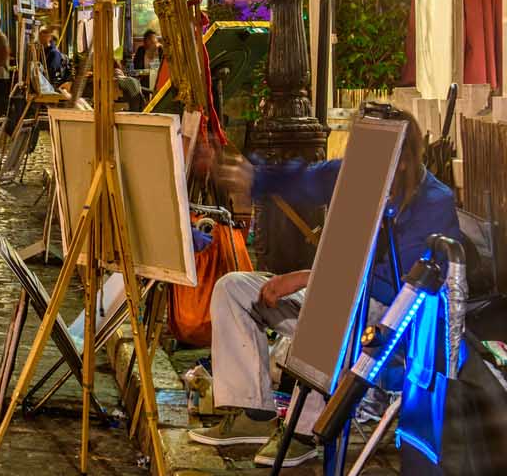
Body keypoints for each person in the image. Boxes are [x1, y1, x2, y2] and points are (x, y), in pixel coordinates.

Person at [191, 110, 457, 467]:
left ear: (405, 160)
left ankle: (305, 430)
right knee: (233, 289)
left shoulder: (435, 203)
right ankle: (252, 412)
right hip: (336, 293)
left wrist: (306, 277)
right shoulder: (359, 172)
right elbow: (303, 180)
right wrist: (250, 174)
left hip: (387, 325)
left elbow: (396, 286)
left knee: (337, 307)